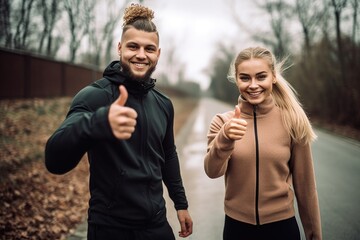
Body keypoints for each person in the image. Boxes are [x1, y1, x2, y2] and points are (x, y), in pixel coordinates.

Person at [45, 4, 193, 240]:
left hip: (156, 225)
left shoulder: (163, 103)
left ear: (158, 54)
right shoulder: (95, 96)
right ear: (120, 48)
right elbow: (54, 159)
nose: (141, 55)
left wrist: (180, 203)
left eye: (149, 48)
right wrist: (97, 122)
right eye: (133, 46)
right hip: (110, 228)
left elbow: (168, 154)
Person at [204, 46, 322, 240]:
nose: (253, 85)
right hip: (237, 228)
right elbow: (212, 171)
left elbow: (306, 187)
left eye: (261, 77)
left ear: (273, 77)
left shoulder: (292, 120)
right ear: (236, 79)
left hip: (282, 228)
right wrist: (225, 138)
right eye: (245, 78)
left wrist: (315, 235)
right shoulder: (222, 122)